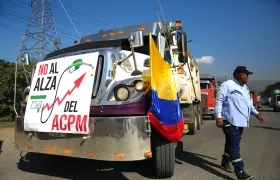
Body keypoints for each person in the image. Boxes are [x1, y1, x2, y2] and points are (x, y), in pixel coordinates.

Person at [214, 66, 264, 180]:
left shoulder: (245, 88)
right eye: (247, 75)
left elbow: (249, 105)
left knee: (231, 143)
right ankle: (240, 171)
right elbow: (219, 101)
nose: (248, 77)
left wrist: (257, 114)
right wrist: (218, 116)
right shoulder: (227, 85)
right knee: (234, 146)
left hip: (240, 122)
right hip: (229, 120)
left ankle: (225, 161)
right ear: (241, 75)